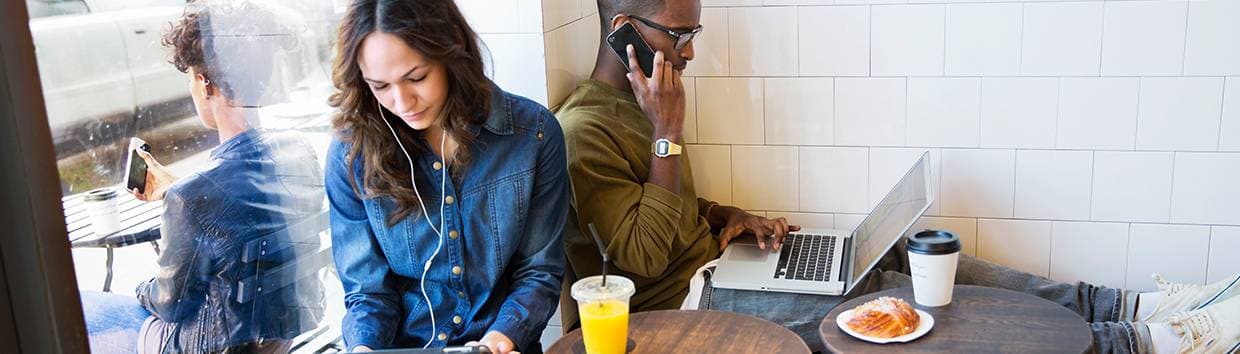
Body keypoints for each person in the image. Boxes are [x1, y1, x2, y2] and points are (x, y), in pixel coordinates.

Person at [556, 1, 1240, 353]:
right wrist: (669, 134)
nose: (691, 49)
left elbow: (660, 209)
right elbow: (639, 262)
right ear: (624, 31)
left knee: (925, 263)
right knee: (904, 309)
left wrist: (722, 213)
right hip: (688, 312)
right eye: (680, 34)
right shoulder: (585, 130)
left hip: (725, 268)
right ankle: (1145, 344)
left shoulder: (639, 103)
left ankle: (1122, 307)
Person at [81, 1, 328, 353]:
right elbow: (240, 211)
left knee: (84, 308)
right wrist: (174, 192)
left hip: (211, 345)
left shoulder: (193, 195)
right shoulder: (300, 152)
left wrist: (141, 288)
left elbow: (170, 303)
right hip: (279, 339)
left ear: (204, 83)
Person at [324, 1, 569, 353]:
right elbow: (368, 293)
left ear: (452, 50)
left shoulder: (534, 136)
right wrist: (363, 347)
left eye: (417, 77)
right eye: (380, 86)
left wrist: (497, 341)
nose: (402, 100)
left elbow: (539, 273)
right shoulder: (352, 155)